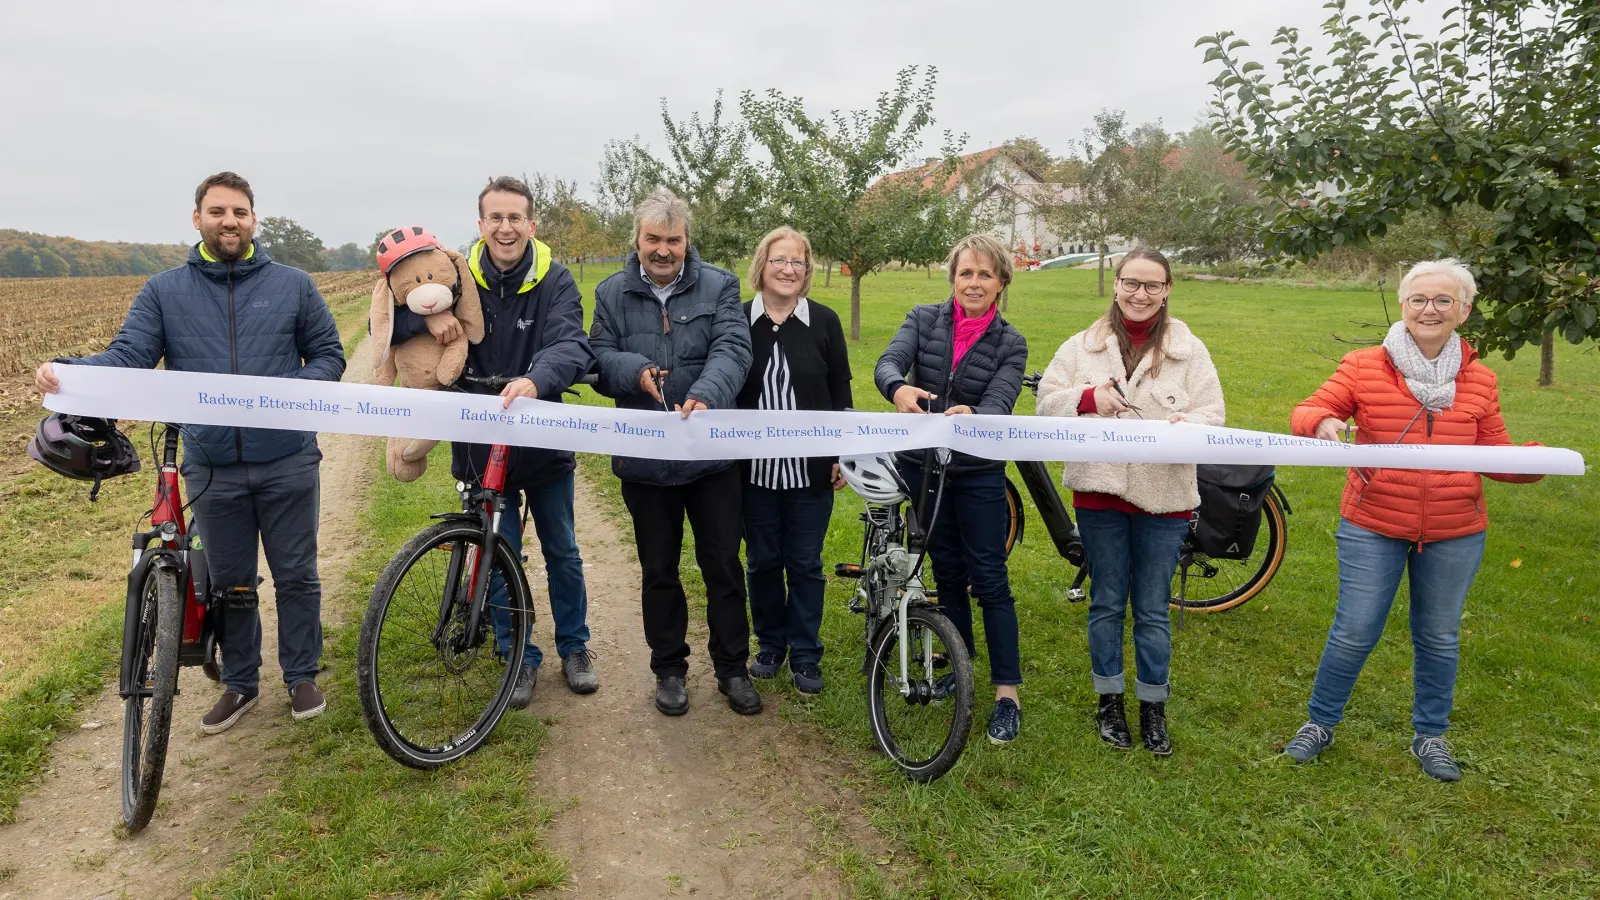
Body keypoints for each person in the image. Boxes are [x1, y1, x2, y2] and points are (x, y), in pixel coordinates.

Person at [34, 171, 345, 733]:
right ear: (198, 218)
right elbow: (129, 353)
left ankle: (301, 674)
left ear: (254, 220)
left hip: (288, 459)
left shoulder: (293, 285)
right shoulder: (164, 291)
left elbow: (328, 355)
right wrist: (70, 372)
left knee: (297, 574)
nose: (231, 221)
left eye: (241, 212)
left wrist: (293, 394)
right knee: (232, 581)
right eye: (219, 211)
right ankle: (241, 683)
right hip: (212, 463)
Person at [1280, 258, 1545, 782]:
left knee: (1439, 635)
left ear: (1463, 312)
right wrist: (1325, 420)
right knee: (1354, 630)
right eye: (1419, 299)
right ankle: (1320, 722)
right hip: (1373, 520)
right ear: (1403, 307)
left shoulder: (1481, 379)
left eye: (1443, 300)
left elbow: (1494, 452)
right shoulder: (1362, 365)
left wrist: (1534, 462)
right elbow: (1307, 409)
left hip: (1455, 530)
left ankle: (1430, 735)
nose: (1430, 309)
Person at [385, 175, 597, 707]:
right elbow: (392, 313)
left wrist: (538, 379)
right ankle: (517, 654)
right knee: (495, 550)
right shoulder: (456, 274)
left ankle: (575, 647)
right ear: (481, 225)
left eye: (515, 218)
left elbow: (572, 342)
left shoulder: (556, 279)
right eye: (495, 218)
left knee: (563, 551)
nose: (506, 228)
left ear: (530, 224)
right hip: (479, 443)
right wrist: (425, 318)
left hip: (542, 439)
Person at [1035, 247, 1225, 756]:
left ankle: (1152, 708)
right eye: (1131, 283)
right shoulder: (1083, 346)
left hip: (1165, 499)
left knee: (1152, 609)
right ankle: (1109, 701)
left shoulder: (1191, 351)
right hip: (1099, 496)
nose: (1140, 294)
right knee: (1106, 602)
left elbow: (1214, 413)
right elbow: (1046, 402)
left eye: (1152, 285)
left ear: (1167, 291)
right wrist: (1085, 399)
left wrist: (1190, 427)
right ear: (1116, 284)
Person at [590, 187, 758, 717]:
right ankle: (669, 669)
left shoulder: (721, 286)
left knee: (724, 566)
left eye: (674, 240)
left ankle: (732, 669)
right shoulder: (611, 292)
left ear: (688, 242)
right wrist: (632, 372)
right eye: (653, 240)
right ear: (637, 241)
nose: (664, 250)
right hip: (644, 460)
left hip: (711, 456)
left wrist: (707, 393)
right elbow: (598, 355)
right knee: (658, 568)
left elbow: (734, 347)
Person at [874, 232, 1029, 744]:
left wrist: (976, 415)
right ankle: (957, 668)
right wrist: (898, 388)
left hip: (979, 470)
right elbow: (887, 364)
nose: (975, 282)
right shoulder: (922, 318)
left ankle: (1007, 695)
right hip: (925, 469)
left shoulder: (1011, 341)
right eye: (967, 273)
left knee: (989, 577)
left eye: (986, 274)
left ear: (1001, 282)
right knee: (947, 571)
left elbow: (1002, 401)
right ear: (953, 278)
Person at [737, 227, 852, 696]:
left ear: (807, 272)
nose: (788, 269)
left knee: (804, 562)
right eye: (779, 260)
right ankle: (769, 645)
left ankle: (805, 653)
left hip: (810, 470)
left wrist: (841, 453)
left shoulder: (824, 322)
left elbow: (841, 390)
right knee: (762, 562)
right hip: (752, 472)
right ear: (762, 265)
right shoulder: (738, 321)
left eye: (798, 262)